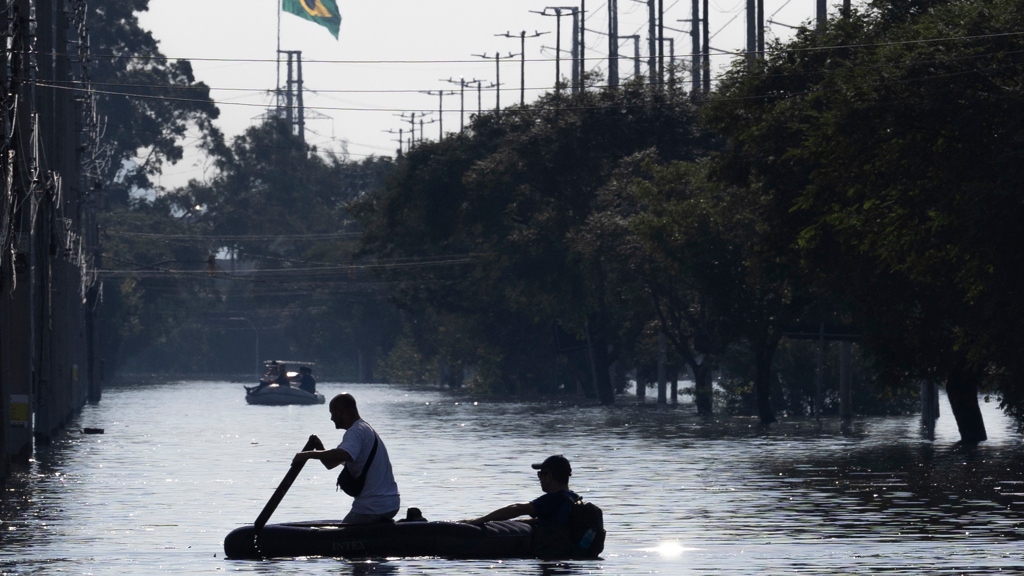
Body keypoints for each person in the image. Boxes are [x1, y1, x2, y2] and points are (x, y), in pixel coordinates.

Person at [292, 393, 400, 524]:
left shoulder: (356, 432)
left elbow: (343, 454)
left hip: (372, 506)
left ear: (340, 411)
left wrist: (307, 455)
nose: (331, 418)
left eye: (332, 413)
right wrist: (319, 447)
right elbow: (330, 464)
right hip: (390, 504)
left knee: (341, 533)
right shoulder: (364, 429)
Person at [465, 455, 578, 527]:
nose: (539, 479)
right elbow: (544, 521)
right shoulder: (573, 498)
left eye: (540, 474)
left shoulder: (553, 499)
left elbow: (517, 509)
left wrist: (480, 520)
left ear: (549, 476)